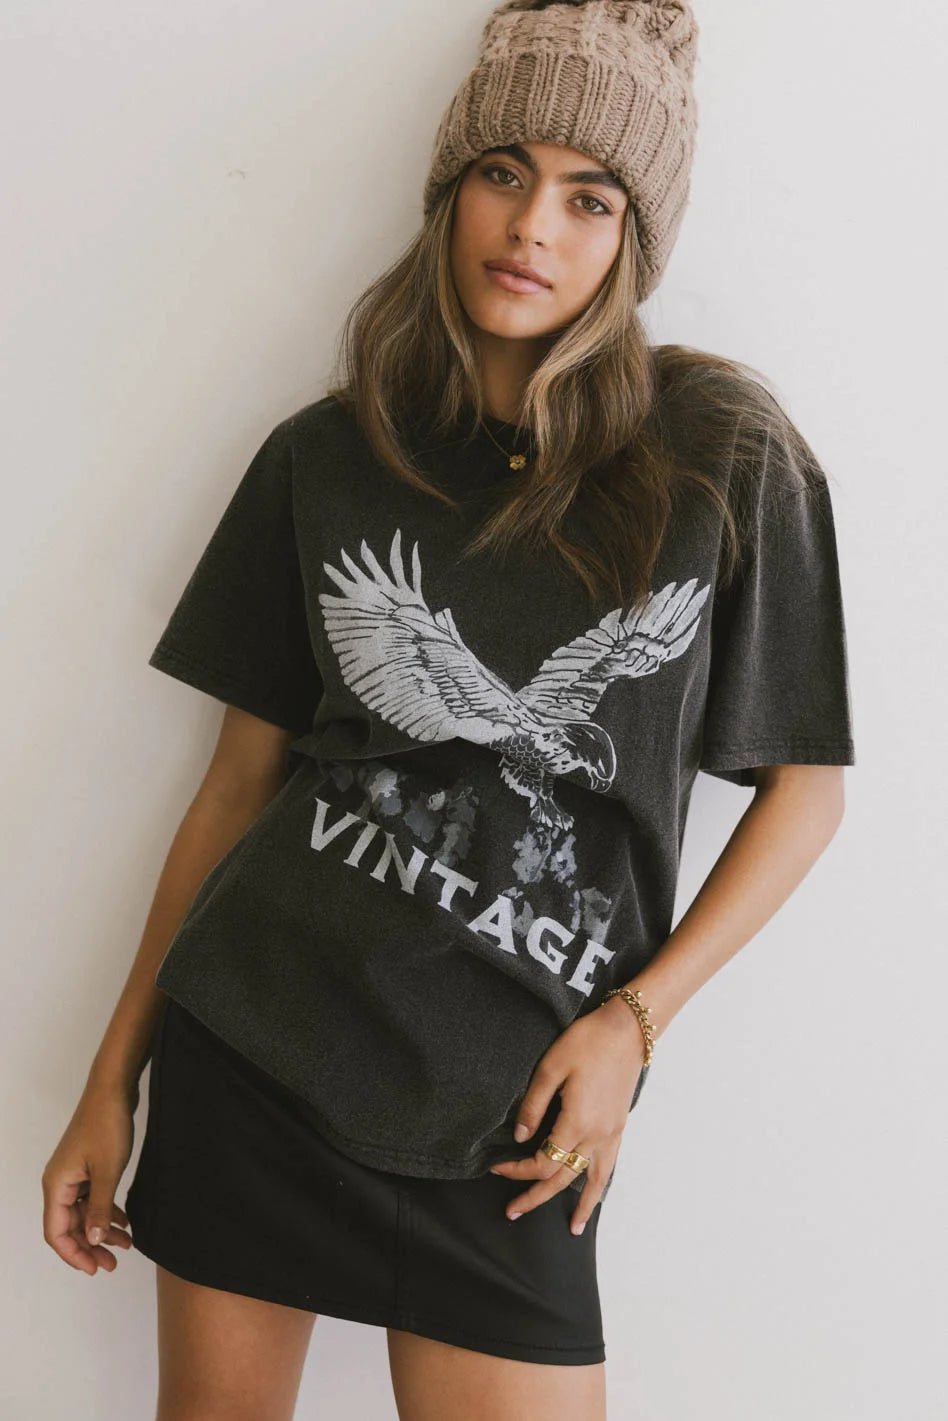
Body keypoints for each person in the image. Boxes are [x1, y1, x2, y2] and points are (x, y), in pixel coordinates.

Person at [41, 2, 856, 1418]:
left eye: (590, 198)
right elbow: (236, 789)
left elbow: (808, 792)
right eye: (503, 172)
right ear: (450, 189)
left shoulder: (723, 459)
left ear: (634, 239)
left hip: (519, 1120)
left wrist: (634, 1025)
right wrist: (113, 1077)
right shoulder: (324, 457)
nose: (532, 226)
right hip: (261, 1051)